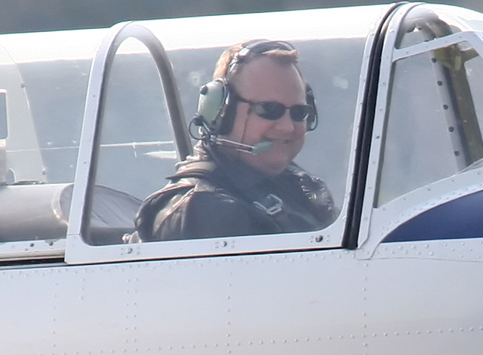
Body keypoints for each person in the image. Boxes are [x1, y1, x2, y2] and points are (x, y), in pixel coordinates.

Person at [133, 39, 337, 241]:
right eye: (269, 109)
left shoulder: (302, 189)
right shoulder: (204, 209)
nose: (287, 127)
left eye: (299, 112)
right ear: (221, 112)